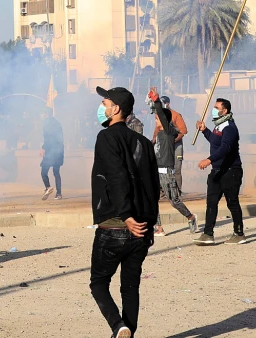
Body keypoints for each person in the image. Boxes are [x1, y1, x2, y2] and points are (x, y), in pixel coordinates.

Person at [90, 86, 160, 338]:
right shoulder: (143, 142)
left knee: (98, 283)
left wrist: (127, 215)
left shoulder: (106, 138)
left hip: (116, 224)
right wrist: (150, 224)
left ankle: (119, 327)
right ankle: (126, 332)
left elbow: (116, 177)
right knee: (130, 287)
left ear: (116, 109)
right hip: (141, 227)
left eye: (105, 102)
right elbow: (153, 187)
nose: (102, 107)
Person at [193, 98, 246, 245]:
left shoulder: (229, 127)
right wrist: (204, 131)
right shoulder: (218, 126)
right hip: (217, 171)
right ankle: (208, 234)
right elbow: (215, 142)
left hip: (230, 171)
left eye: (217, 107)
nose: (214, 109)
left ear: (225, 111)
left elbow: (225, 147)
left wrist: (209, 160)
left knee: (232, 202)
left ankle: (239, 233)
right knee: (211, 202)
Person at [148, 89, 197, 236]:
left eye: (158, 119)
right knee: (152, 199)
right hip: (156, 171)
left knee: (174, 201)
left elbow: (164, 118)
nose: (156, 121)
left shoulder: (169, 133)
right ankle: (158, 227)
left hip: (166, 172)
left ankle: (191, 217)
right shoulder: (160, 133)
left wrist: (156, 101)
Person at [160, 96, 188, 192]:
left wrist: (173, 141)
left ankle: (178, 191)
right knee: (164, 169)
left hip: (176, 145)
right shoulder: (158, 116)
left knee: (176, 169)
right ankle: (165, 191)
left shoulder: (176, 115)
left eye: (163, 102)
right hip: (164, 146)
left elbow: (183, 131)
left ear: (168, 103)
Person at [40, 110, 65, 201]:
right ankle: (59, 194)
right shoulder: (57, 123)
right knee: (56, 173)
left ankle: (48, 187)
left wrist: (44, 148)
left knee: (43, 172)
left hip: (51, 152)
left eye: (42, 113)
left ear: (46, 114)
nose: (41, 115)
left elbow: (48, 138)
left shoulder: (47, 123)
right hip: (59, 151)